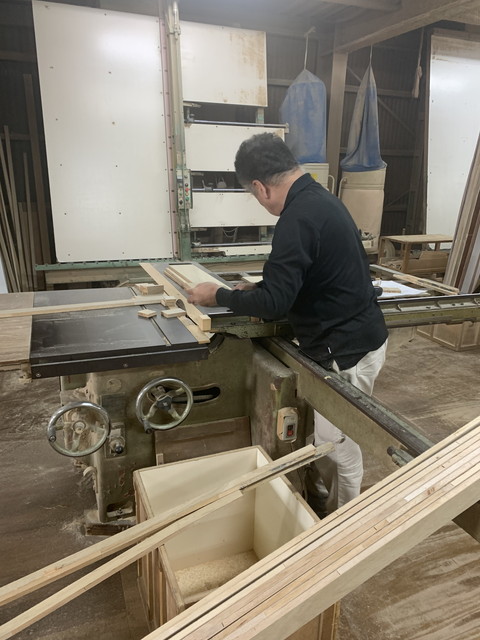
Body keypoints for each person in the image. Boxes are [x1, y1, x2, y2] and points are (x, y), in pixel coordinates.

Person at [186, 132, 388, 517]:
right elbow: (304, 275)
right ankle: (320, 504)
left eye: (253, 195)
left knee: (339, 445)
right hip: (356, 338)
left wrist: (219, 295)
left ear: (260, 187)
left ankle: (345, 523)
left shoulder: (296, 218)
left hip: (346, 349)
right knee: (327, 435)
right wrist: (261, 286)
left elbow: (274, 305)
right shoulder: (320, 200)